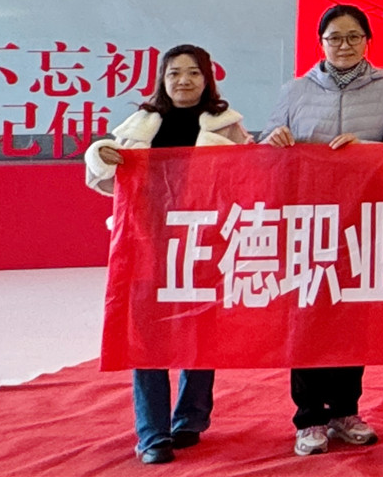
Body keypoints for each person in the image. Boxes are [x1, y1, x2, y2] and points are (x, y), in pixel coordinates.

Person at [85, 44, 251, 465]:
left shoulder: (228, 126)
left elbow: (249, 179)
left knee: (201, 332)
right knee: (146, 337)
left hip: (203, 243)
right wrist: (99, 156)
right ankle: (152, 433)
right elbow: (110, 182)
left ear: (207, 79)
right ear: (162, 78)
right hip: (147, 243)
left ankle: (190, 419)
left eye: (193, 72)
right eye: (174, 72)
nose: (183, 80)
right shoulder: (140, 124)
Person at [262, 3, 383, 457]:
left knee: (352, 316)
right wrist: (273, 140)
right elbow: (266, 146)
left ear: (367, 41)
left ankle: (346, 410)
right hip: (307, 221)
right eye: (334, 38)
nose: (344, 46)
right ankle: (309, 417)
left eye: (353, 37)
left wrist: (366, 149)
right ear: (321, 43)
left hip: (364, 221)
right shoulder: (295, 90)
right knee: (307, 318)